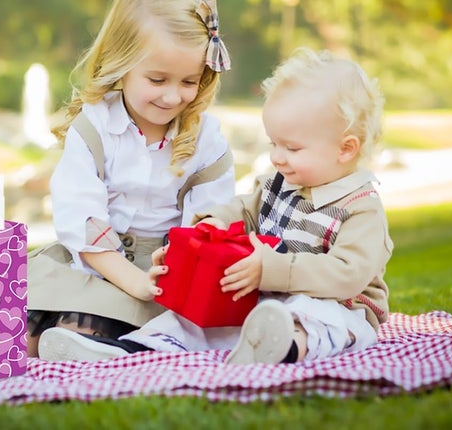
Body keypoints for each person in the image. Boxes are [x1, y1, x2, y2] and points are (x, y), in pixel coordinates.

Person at [38, 47, 393, 365]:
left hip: (341, 307)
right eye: (274, 144)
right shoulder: (282, 181)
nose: (276, 157)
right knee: (195, 320)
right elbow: (244, 209)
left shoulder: (360, 207)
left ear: (345, 149)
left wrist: (275, 271)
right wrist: (213, 223)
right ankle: (133, 349)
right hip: (268, 297)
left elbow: (347, 275)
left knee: (315, 319)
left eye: (292, 148)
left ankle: (285, 348)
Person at [26, 0, 237, 357]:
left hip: (167, 274)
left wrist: (174, 269)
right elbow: (83, 219)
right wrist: (135, 283)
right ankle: (73, 343)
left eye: (189, 81)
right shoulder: (95, 129)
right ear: (121, 66)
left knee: (100, 324)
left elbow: (212, 217)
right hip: (99, 263)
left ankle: (105, 347)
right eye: (157, 79)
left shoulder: (206, 140)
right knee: (29, 313)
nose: (173, 96)